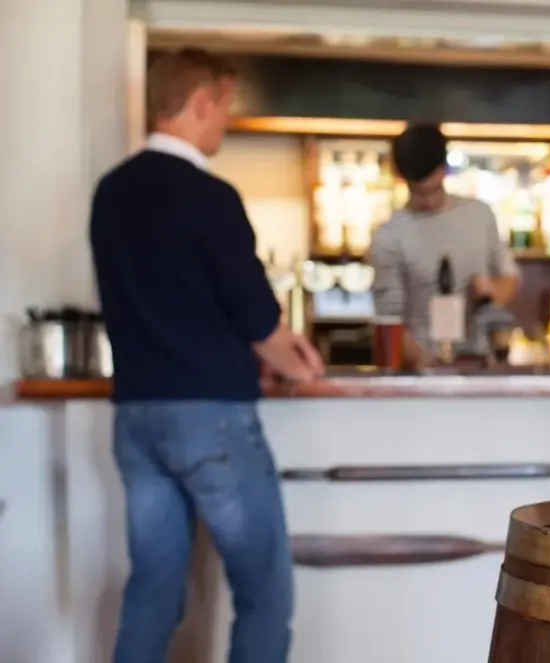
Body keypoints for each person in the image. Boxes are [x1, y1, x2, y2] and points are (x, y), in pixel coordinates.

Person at [89, 48, 324, 663]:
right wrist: (300, 362)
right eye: (224, 106)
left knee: (153, 593)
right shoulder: (210, 196)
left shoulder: (110, 193)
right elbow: (256, 317)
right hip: (209, 419)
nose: (226, 120)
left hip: (136, 418)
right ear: (200, 102)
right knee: (263, 594)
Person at [369, 124, 521, 367]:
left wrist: (490, 298)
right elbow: (390, 319)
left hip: (480, 362)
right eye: (418, 193)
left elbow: (509, 276)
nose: (429, 202)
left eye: (433, 190)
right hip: (424, 368)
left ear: (444, 169)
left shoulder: (479, 215)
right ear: (400, 177)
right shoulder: (389, 236)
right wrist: (426, 363)